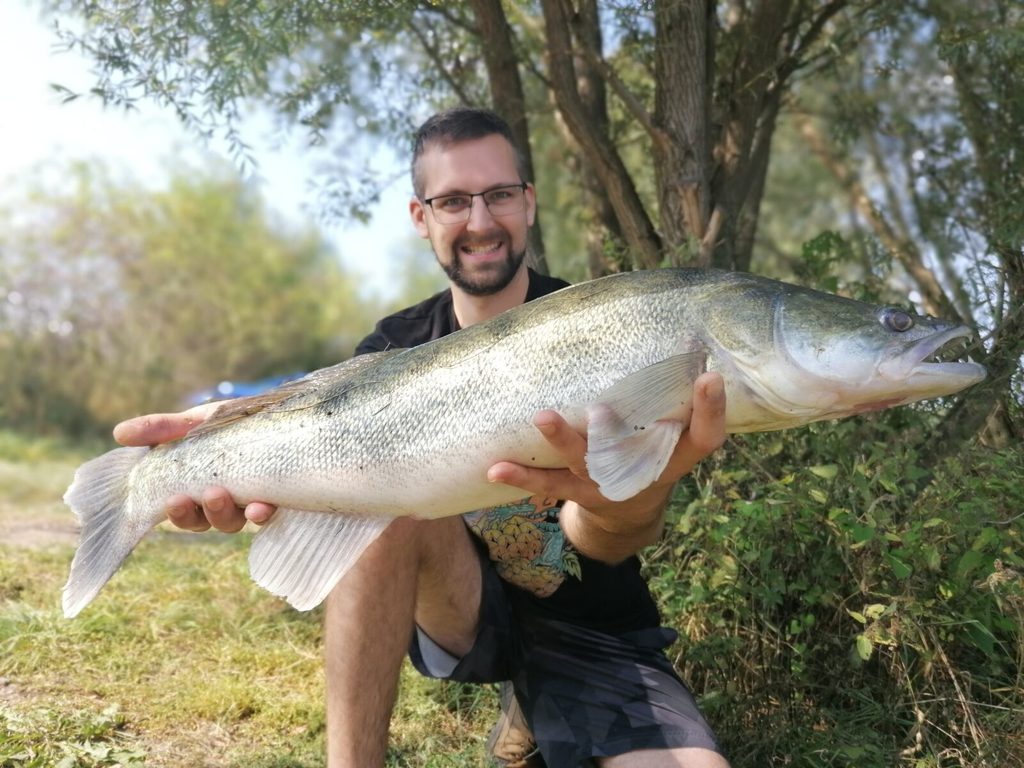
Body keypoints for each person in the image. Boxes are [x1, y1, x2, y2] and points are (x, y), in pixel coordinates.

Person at [113, 107, 731, 768]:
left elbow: (604, 541)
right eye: (454, 201)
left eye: (499, 194)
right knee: (378, 504)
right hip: (460, 607)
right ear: (421, 216)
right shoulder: (391, 347)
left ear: (528, 202)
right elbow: (314, 445)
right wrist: (224, 450)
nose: (481, 221)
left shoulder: (610, 322)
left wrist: (627, 495)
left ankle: (536, 707)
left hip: (594, 627)